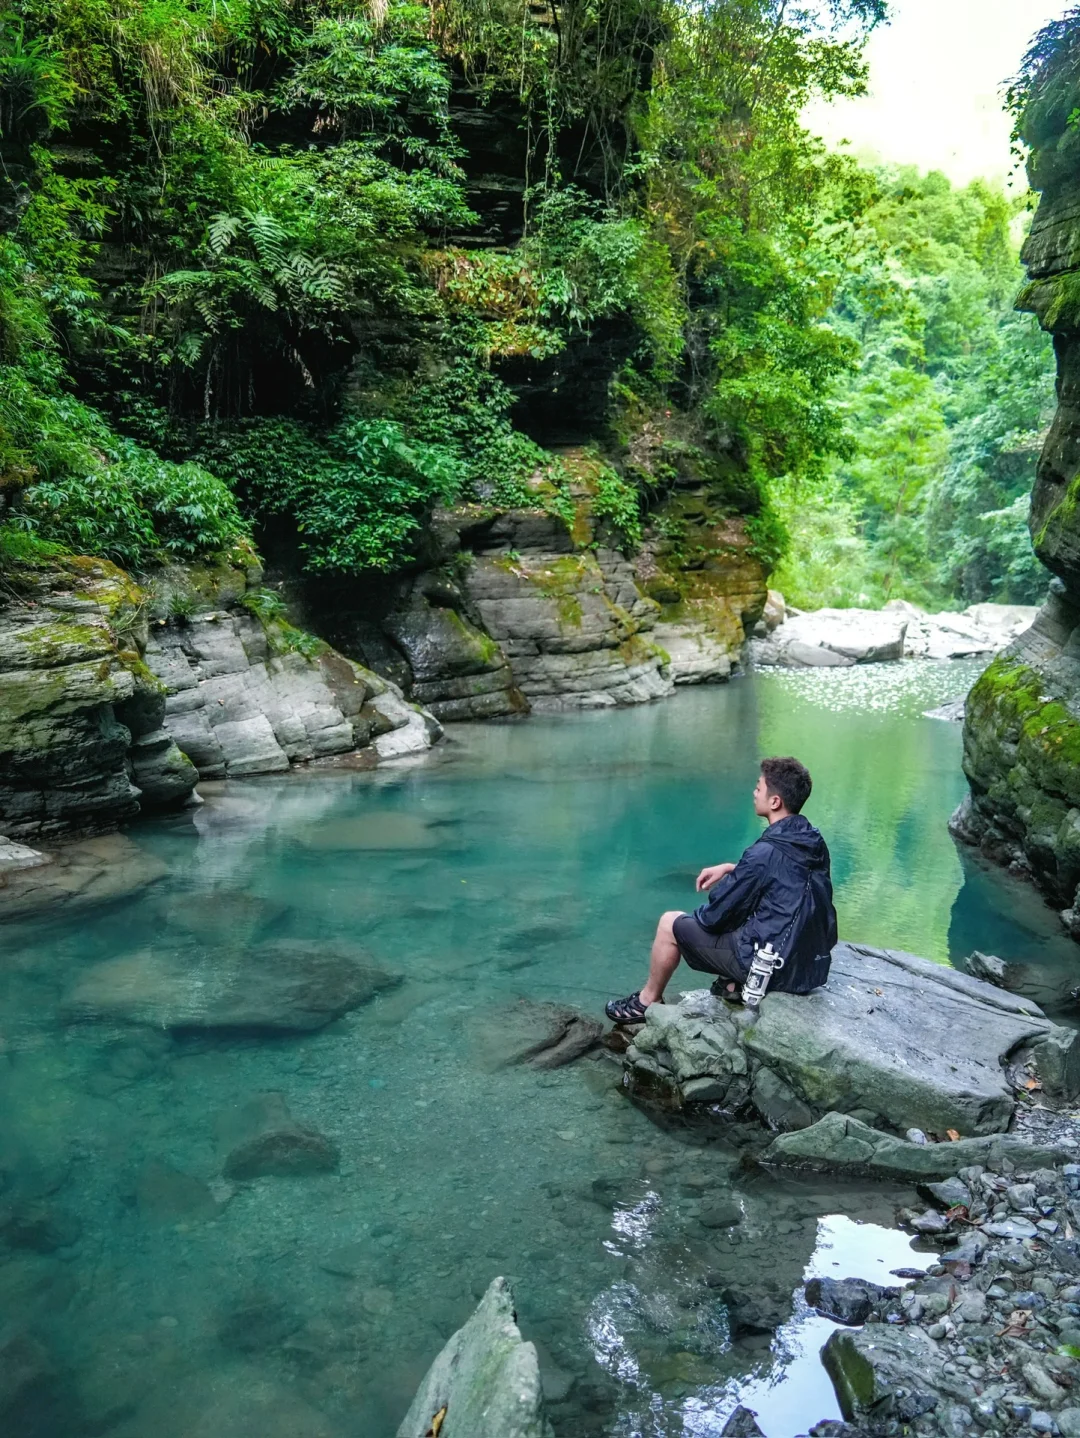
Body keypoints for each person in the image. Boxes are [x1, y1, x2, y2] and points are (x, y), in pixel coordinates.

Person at [605, 756, 837, 1023]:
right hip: (809, 967)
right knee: (751, 920)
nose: (754, 792)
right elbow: (787, 880)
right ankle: (731, 985)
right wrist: (734, 869)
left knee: (669, 924)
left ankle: (647, 1001)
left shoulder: (763, 853)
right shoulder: (813, 840)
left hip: (772, 969)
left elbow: (714, 917)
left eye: (759, 787)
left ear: (775, 802)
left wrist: (729, 888)